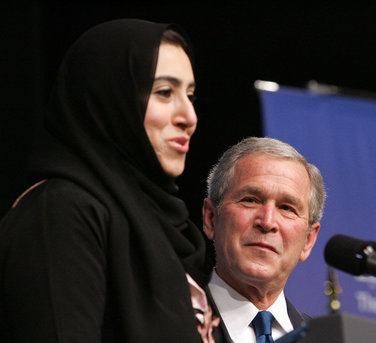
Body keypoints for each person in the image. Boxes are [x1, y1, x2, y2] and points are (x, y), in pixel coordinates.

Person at [0, 19, 217, 342]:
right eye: (164, 92)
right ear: (108, 99)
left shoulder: (163, 228)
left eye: (190, 95)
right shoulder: (62, 211)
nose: (189, 117)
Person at [202, 137, 326, 343]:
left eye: (287, 208)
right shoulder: (166, 322)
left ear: (308, 240)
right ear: (211, 219)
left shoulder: (326, 340)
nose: (267, 222)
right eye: (250, 200)